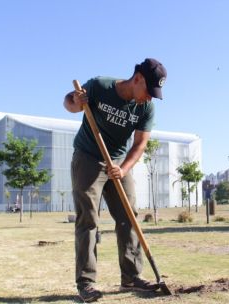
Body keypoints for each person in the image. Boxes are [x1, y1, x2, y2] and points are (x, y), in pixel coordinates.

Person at [64, 58, 167, 302]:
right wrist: (77, 103)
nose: (150, 98)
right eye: (149, 91)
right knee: (88, 219)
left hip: (119, 163)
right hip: (88, 158)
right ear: (138, 78)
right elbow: (69, 102)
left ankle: (131, 277)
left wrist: (123, 168)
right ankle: (86, 283)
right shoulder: (101, 86)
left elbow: (140, 144)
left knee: (129, 216)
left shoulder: (146, 108)